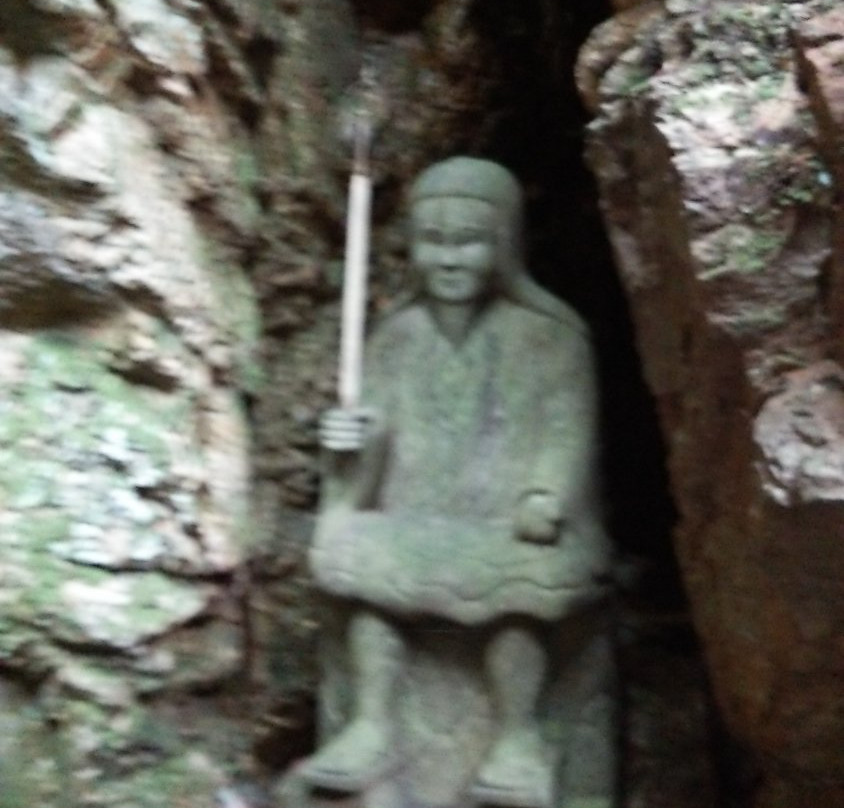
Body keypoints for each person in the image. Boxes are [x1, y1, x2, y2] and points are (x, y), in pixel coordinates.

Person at [302, 158, 613, 808]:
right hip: (416, 527)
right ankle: (372, 723)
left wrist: (545, 496)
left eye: (467, 242)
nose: (448, 259)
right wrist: (349, 446)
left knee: (519, 590)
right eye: (432, 241)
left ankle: (519, 737)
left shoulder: (553, 338)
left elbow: (567, 431)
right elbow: (373, 436)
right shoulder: (392, 339)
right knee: (362, 562)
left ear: (503, 245)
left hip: (513, 527)